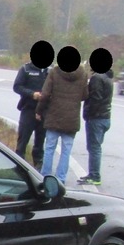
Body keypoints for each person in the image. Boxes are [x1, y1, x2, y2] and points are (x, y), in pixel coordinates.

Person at [35, 45, 88, 184]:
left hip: (54, 116)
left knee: (50, 148)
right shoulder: (83, 74)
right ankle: (61, 178)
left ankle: (46, 176)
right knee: (66, 150)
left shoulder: (54, 72)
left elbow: (45, 94)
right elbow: (84, 95)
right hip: (72, 119)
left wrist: (39, 111)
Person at [13, 40, 54, 169]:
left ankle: (38, 169)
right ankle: (19, 167)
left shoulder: (51, 71)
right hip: (28, 109)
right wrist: (32, 94)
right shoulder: (26, 69)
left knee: (40, 143)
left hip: (44, 112)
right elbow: (17, 86)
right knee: (22, 141)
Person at [78, 48, 114, 186]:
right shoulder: (108, 78)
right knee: (96, 147)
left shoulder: (97, 78)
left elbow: (95, 99)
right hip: (105, 117)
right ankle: (93, 173)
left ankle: (94, 175)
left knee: (94, 147)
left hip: (96, 118)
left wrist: (88, 114)